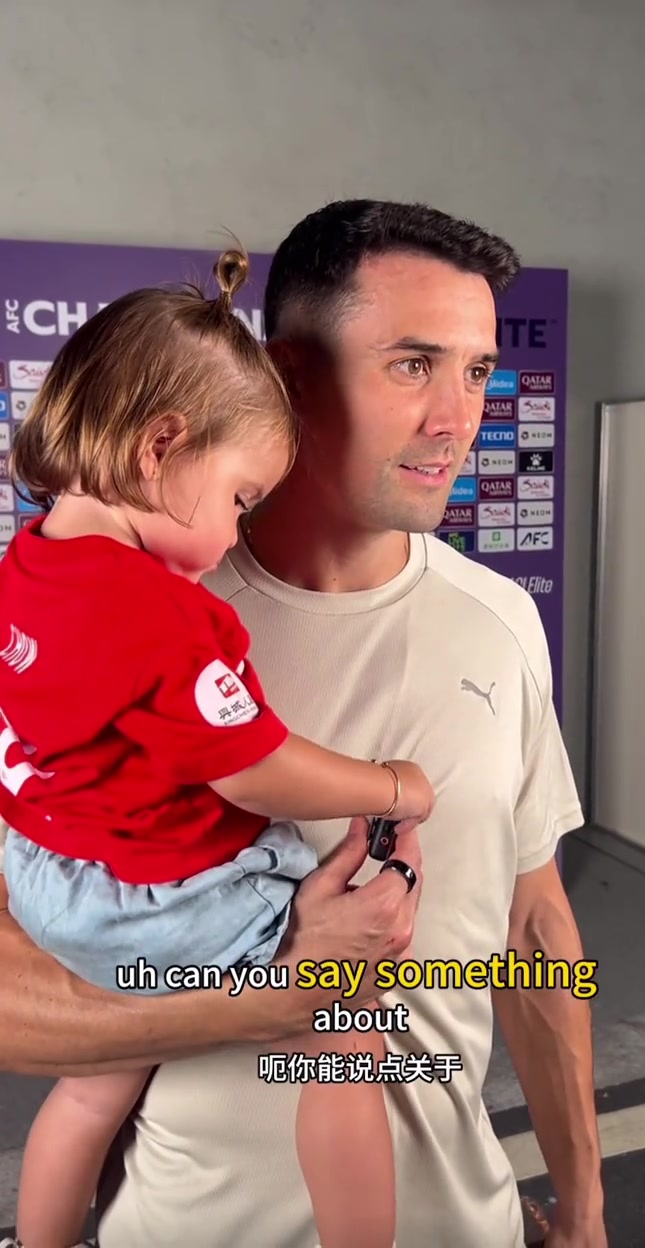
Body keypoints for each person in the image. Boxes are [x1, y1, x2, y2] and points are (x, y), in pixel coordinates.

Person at [0, 197, 607, 1248]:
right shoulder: (122, 618)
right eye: (413, 364)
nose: (459, 417)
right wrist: (275, 992)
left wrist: (587, 1208)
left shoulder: (504, 620)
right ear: (288, 376)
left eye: (476, 371)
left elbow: (533, 930)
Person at [0, 246, 434, 1248]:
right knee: (350, 1027)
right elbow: (253, 769)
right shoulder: (160, 616)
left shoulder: (25, 566)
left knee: (92, 1089)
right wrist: (391, 786)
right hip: (156, 901)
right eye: (240, 498)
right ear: (162, 445)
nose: (238, 536)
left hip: (48, 879)